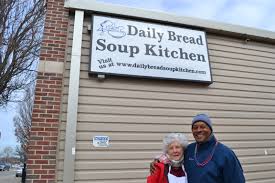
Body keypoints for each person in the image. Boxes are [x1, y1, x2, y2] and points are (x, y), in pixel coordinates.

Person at [151, 114, 246, 183]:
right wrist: (157, 162)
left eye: (203, 126)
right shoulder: (189, 150)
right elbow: (174, 157)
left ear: (210, 129)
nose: (198, 130)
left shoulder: (226, 154)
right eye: (195, 127)